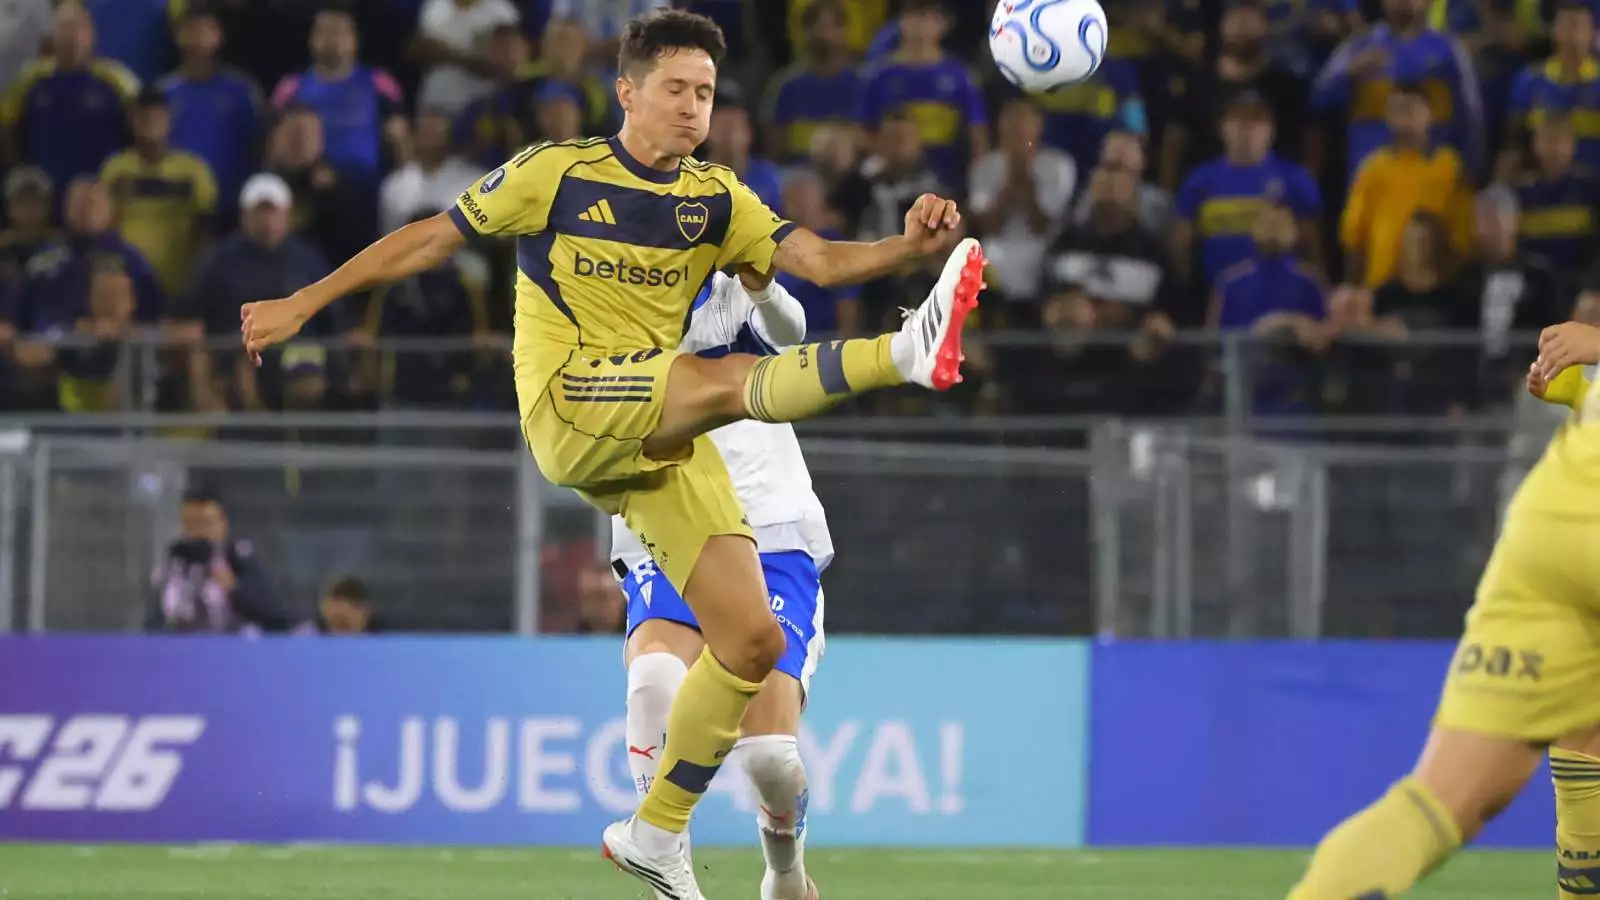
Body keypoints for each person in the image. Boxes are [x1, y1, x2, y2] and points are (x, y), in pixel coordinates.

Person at [236, 11, 976, 899]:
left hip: (656, 432)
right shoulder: (556, 173)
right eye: (676, 89)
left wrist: (906, 247)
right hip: (569, 402)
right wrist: (305, 303)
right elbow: (431, 238)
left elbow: (815, 259)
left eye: (706, 93)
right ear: (627, 91)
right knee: (717, 380)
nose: (694, 107)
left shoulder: (717, 198)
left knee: (751, 641)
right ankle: (903, 353)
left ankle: (655, 834)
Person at [616, 268, 825, 900]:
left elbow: (790, 333)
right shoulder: (604, 304)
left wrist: (761, 283)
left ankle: (786, 871)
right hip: (670, 518)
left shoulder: (729, 292)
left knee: (769, 757)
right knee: (654, 680)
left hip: (772, 529)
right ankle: (667, 873)